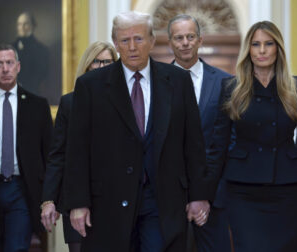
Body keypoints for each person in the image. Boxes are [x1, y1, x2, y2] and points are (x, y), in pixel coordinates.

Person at [63, 11, 215, 252]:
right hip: (108, 202)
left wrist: (198, 195)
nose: (132, 47)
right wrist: (78, 203)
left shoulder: (177, 81)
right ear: (115, 43)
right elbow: (77, 149)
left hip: (162, 201)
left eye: (139, 39)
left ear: (152, 41)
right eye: (124, 40)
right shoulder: (91, 86)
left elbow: (193, 144)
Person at [206, 21, 297, 251]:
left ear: (278, 49)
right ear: (248, 50)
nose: (262, 50)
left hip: (287, 189)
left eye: (268, 44)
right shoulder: (232, 88)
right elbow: (218, 147)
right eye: (256, 44)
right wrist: (203, 196)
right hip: (243, 190)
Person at [40, 41, 118, 252]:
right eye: (97, 62)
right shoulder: (70, 103)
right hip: (76, 197)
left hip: (114, 197)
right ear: (87, 65)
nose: (102, 67)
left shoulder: (125, 103)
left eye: (108, 62)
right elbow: (58, 155)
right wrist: (49, 199)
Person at [167, 14, 232, 252]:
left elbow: (226, 143)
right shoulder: (156, 82)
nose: (185, 42)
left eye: (190, 37)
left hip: (215, 196)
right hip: (167, 198)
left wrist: (204, 193)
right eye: (179, 38)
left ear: (200, 40)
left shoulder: (225, 82)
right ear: (170, 42)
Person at [0, 44, 52, 251]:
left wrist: (50, 198)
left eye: (9, 63)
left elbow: (49, 154)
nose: (5, 69)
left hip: (21, 189)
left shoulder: (37, 105)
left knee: (16, 248)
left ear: (18, 66)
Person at [12, 12, 49, 96]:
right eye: (19, 24)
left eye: (25, 24)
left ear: (32, 26)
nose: (22, 27)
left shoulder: (42, 50)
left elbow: (41, 75)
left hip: (32, 93)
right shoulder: (9, 48)